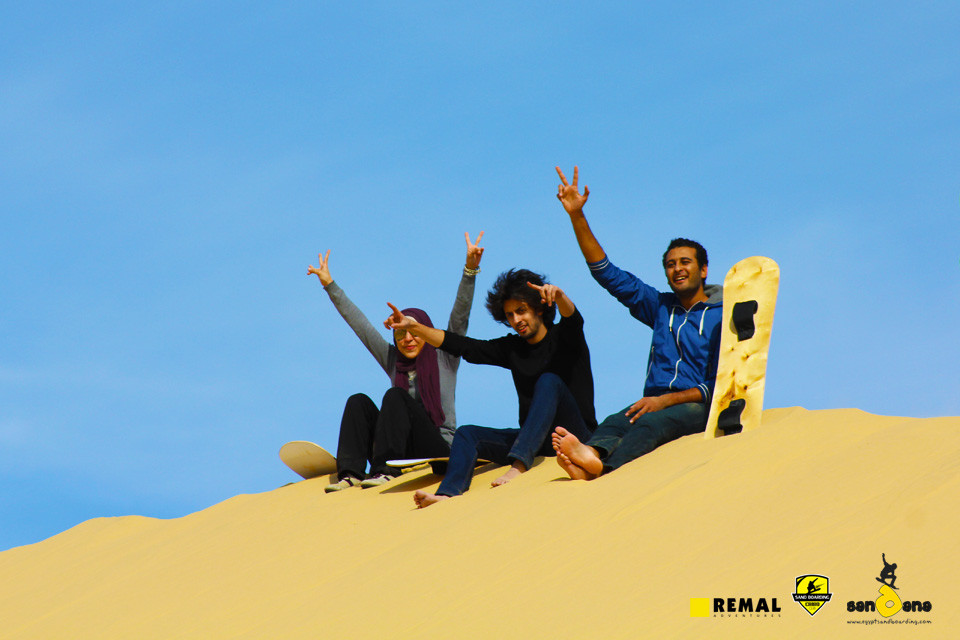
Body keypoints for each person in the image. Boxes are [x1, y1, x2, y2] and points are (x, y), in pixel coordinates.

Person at [550, 165, 723, 480]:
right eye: (671, 265)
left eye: (686, 262)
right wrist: (577, 216)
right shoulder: (659, 306)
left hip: (700, 406)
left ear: (704, 270)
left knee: (650, 423)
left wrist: (667, 400)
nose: (678, 269)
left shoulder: (722, 314)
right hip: (653, 401)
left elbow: (720, 382)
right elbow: (607, 274)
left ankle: (604, 471)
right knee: (616, 421)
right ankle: (589, 455)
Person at [386, 268, 597, 508]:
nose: (516, 320)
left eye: (521, 311)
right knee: (467, 433)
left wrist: (560, 297)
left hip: (575, 437)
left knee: (549, 381)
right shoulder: (513, 348)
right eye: (510, 315)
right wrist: (413, 327)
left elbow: (574, 320)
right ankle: (448, 492)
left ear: (540, 308)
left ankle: (518, 466)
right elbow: (462, 346)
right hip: (536, 441)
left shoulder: (566, 338)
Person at [308, 232, 484, 492]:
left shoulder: (444, 356)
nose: (408, 339)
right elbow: (361, 326)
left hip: (437, 449)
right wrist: (330, 285)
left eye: (414, 332)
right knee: (358, 401)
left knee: (395, 396)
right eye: (401, 334)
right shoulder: (394, 360)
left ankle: (386, 471)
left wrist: (470, 269)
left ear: (426, 332)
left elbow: (461, 314)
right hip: (399, 447)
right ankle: (351, 473)